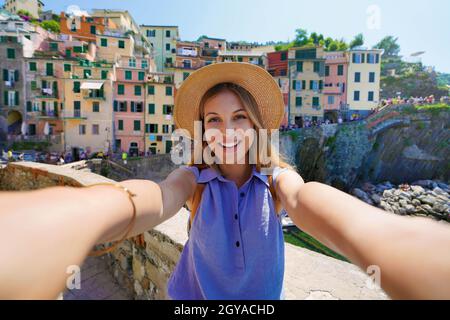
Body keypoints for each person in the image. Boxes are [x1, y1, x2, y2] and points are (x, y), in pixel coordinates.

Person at [0, 62, 450, 300]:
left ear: (256, 124)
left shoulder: (276, 179)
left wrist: (385, 238)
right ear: (201, 130)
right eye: (213, 119)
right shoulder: (192, 179)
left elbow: (306, 198)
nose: (226, 130)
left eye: (240, 117)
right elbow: (154, 198)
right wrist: (81, 214)